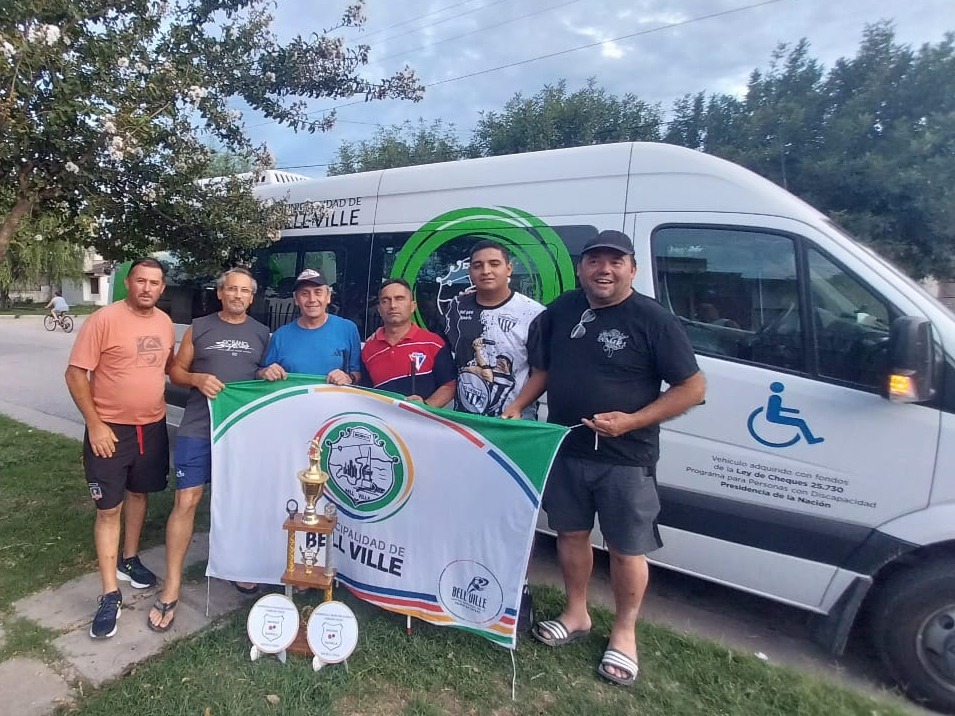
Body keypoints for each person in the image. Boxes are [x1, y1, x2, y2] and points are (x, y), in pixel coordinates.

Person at [504, 230, 705, 687]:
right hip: (566, 446)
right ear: (581, 268)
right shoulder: (563, 310)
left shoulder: (653, 320)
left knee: (626, 549)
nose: (604, 270)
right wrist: (519, 404)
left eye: (615, 262)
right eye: (595, 261)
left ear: (632, 269)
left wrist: (633, 421)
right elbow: (545, 370)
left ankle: (624, 633)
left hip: (627, 456)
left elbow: (692, 388)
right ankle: (576, 614)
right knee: (571, 535)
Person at [146, 268, 270, 632]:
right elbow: (176, 372)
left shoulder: (262, 333)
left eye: (244, 291)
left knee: (238, 503)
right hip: (198, 429)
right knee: (187, 500)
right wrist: (196, 378)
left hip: (241, 433)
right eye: (231, 289)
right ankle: (172, 585)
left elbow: (264, 374)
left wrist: (266, 373)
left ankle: (237, 566)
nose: (237, 295)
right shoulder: (199, 328)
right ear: (220, 293)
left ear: (251, 298)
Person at [65, 258, 175, 640]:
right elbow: (75, 373)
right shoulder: (103, 320)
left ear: (162, 288)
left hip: (152, 426)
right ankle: (110, 594)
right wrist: (95, 424)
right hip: (110, 430)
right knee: (109, 509)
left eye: (154, 283)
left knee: (139, 494)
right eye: (141, 280)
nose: (147, 288)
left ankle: (129, 559)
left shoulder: (165, 323)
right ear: (129, 282)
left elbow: (167, 368)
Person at [443, 240, 544, 418]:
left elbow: (542, 372)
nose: (486, 271)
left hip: (514, 421)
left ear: (509, 269)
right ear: (470, 272)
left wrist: (518, 407)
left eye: (494, 264)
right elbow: (445, 359)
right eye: (478, 265)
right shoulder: (456, 307)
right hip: (465, 420)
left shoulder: (533, 313)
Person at [360, 278, 456, 406]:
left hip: (421, 418)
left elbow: (449, 385)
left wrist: (426, 406)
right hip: (384, 418)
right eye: (385, 301)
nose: (393, 305)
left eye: (399, 299)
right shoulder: (368, 350)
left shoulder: (434, 343)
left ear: (412, 306)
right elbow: (365, 394)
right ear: (379, 309)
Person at [258, 268, 361, 385]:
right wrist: (266, 372)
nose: (312, 299)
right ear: (296, 299)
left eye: (318, 292)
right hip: (294, 397)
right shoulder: (280, 336)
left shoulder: (347, 329)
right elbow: (264, 373)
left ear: (328, 297)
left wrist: (348, 378)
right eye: (305, 294)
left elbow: (357, 373)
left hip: (334, 397)